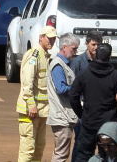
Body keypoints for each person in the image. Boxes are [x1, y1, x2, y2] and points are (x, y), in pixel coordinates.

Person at [69, 43, 117, 162]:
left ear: (95, 55)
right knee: (107, 156)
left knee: (84, 155)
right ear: (110, 56)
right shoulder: (116, 76)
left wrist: (82, 114)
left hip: (89, 122)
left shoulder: (83, 74)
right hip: (109, 125)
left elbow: (73, 96)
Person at [16, 25, 57, 162]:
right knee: (28, 150)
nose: (51, 41)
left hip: (42, 111)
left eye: (53, 39)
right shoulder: (34, 55)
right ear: (41, 38)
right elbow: (27, 82)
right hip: (30, 110)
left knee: (39, 148)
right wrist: (31, 104)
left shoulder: (46, 56)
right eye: (49, 38)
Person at [70, 31, 102, 162]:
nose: (96, 48)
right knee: (80, 143)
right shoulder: (77, 63)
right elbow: (73, 90)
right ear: (86, 44)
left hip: (97, 112)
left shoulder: (102, 61)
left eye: (98, 45)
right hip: (82, 112)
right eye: (93, 44)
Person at [48, 33, 80, 162]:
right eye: (73, 49)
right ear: (64, 47)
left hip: (64, 116)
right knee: (61, 154)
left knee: (61, 153)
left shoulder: (64, 64)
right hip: (61, 117)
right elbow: (61, 88)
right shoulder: (58, 65)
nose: (75, 52)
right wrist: (77, 88)